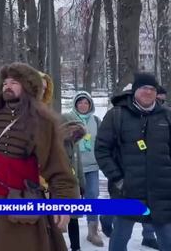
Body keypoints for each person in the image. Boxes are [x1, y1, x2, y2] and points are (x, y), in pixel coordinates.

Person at [0, 62, 76, 251]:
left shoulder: (42, 122)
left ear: (28, 86)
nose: (7, 86)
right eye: (5, 83)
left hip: (23, 199)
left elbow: (57, 165)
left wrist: (63, 202)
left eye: (14, 82)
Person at [95, 72, 171, 251]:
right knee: (120, 239)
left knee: (167, 240)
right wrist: (118, 179)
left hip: (161, 192)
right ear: (135, 90)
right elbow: (102, 150)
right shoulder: (117, 115)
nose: (148, 92)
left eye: (152, 89)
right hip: (127, 190)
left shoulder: (166, 116)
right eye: (144, 88)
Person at [63, 91, 104, 246]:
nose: (83, 105)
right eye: (80, 102)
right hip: (72, 166)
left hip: (92, 165)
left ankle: (93, 231)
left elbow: (102, 142)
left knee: (92, 196)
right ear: (75, 104)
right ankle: (66, 222)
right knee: (73, 197)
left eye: (86, 102)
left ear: (90, 105)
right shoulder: (68, 119)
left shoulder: (96, 120)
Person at [60, 114, 87, 251]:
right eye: (69, 129)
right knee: (57, 220)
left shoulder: (74, 144)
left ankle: (76, 247)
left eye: (75, 130)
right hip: (58, 188)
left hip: (74, 187)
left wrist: (82, 184)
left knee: (74, 219)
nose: (72, 132)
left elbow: (79, 166)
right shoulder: (54, 146)